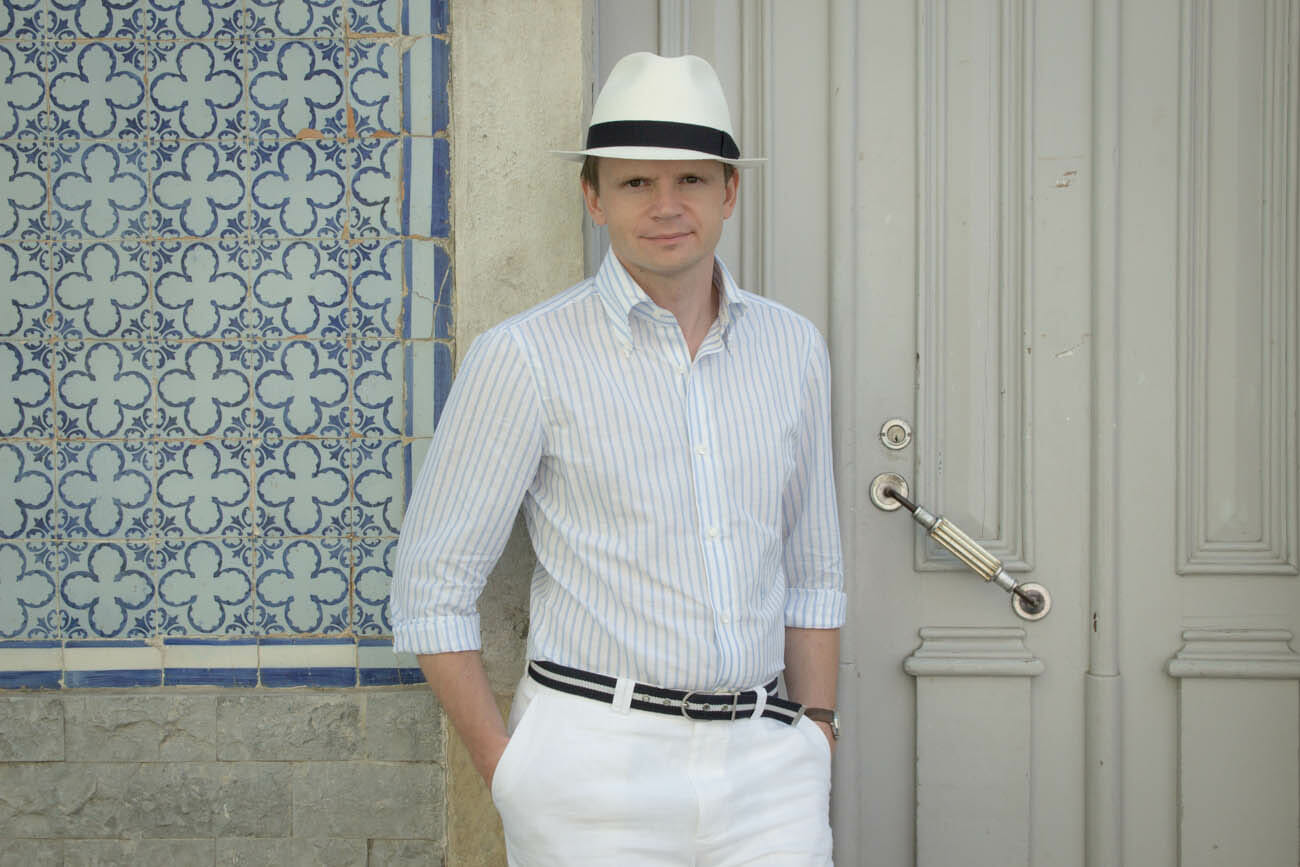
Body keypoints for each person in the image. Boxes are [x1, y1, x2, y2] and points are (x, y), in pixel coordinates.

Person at [392, 51, 845, 865]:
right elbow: (432, 588)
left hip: (768, 770)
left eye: (691, 180)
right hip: (591, 773)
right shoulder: (526, 356)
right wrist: (509, 771)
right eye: (636, 182)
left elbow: (813, 571)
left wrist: (816, 735)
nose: (666, 206)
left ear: (730, 192)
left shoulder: (792, 348)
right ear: (593, 197)